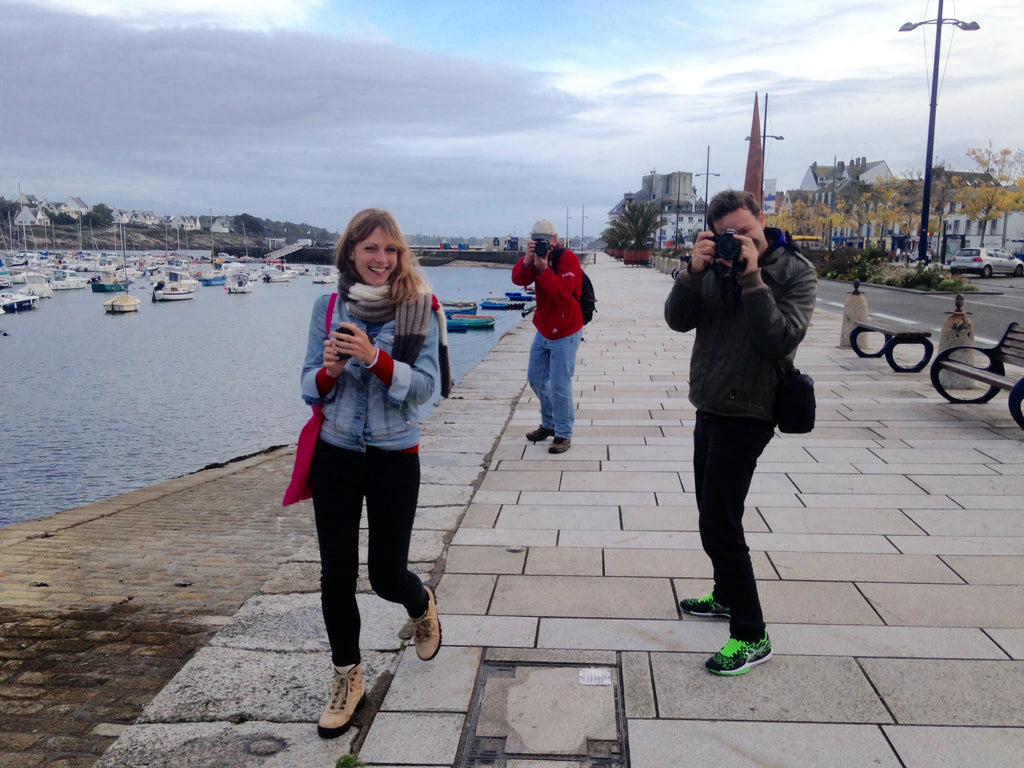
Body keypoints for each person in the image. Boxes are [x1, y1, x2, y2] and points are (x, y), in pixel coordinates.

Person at [301, 208, 450, 738]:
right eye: (370, 249)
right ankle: (347, 678)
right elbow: (306, 387)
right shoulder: (326, 308)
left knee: (386, 574)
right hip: (336, 455)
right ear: (350, 254)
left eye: (390, 250)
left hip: (393, 456)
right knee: (335, 575)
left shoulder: (421, 310)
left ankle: (421, 603)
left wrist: (375, 358)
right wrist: (330, 370)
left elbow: (427, 387)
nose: (381, 259)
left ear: (399, 255)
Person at [664, 190, 817, 675]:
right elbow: (676, 320)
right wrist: (692, 272)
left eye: (746, 231)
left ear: (762, 222)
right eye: (728, 234)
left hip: (752, 409)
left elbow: (780, 338)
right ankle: (727, 594)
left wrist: (752, 277)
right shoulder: (711, 266)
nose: (738, 241)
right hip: (708, 403)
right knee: (709, 508)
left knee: (719, 523)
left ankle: (752, 634)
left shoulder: (795, 273)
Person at [511, 219, 584, 454]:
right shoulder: (536, 258)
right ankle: (549, 423)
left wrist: (544, 270)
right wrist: (527, 261)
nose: (542, 244)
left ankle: (563, 433)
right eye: (536, 239)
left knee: (560, 384)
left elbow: (562, 294)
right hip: (543, 329)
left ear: (555, 239)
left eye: (545, 240)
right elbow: (518, 279)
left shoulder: (567, 259)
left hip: (566, 330)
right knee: (535, 378)